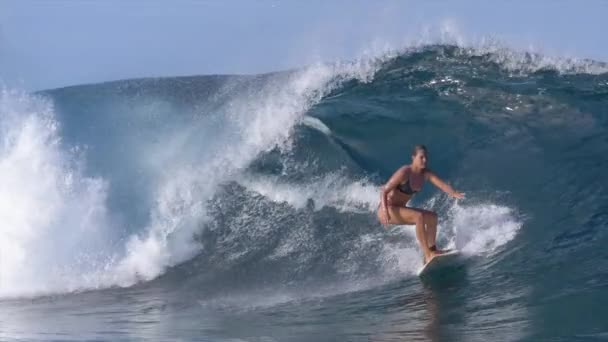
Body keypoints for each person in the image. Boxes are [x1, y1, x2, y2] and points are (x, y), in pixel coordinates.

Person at [377, 145, 464, 263]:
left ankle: (432, 250)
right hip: (388, 209)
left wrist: (453, 193)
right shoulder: (405, 172)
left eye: (426, 158)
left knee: (433, 217)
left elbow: (441, 185)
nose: (425, 160)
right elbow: (384, 191)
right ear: (413, 158)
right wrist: (385, 211)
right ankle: (427, 254)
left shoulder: (425, 173)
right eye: (421, 157)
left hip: (400, 209)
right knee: (419, 217)